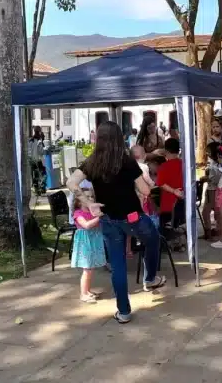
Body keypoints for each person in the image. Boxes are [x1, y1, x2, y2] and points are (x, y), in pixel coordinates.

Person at [66, 122, 165, 324]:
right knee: (153, 240)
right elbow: (146, 191)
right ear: (119, 138)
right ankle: (150, 278)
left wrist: (88, 203)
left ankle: (124, 311)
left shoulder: (92, 161)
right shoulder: (127, 161)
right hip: (132, 217)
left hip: (108, 219)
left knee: (118, 266)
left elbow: (71, 182)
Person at [71, 188, 106, 303]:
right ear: (79, 201)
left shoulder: (92, 212)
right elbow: (86, 225)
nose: (90, 199)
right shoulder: (78, 213)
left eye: (92, 197)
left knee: (90, 269)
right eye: (87, 197)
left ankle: (87, 290)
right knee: (87, 269)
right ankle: (83, 293)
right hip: (85, 244)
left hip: (94, 241)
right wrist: (99, 218)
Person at [157, 138, 185, 249]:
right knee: (179, 223)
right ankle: (181, 242)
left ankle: (170, 244)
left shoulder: (164, 166)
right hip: (181, 200)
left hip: (168, 201)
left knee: (167, 224)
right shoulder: (184, 164)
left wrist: (173, 191)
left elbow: (160, 183)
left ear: (166, 151)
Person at [28, 126, 46, 195]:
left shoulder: (30, 140)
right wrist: (43, 142)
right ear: (39, 131)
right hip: (39, 160)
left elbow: (28, 152)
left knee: (35, 175)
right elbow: (41, 152)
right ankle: (42, 189)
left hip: (32, 161)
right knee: (43, 174)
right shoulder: (39, 141)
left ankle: (36, 190)